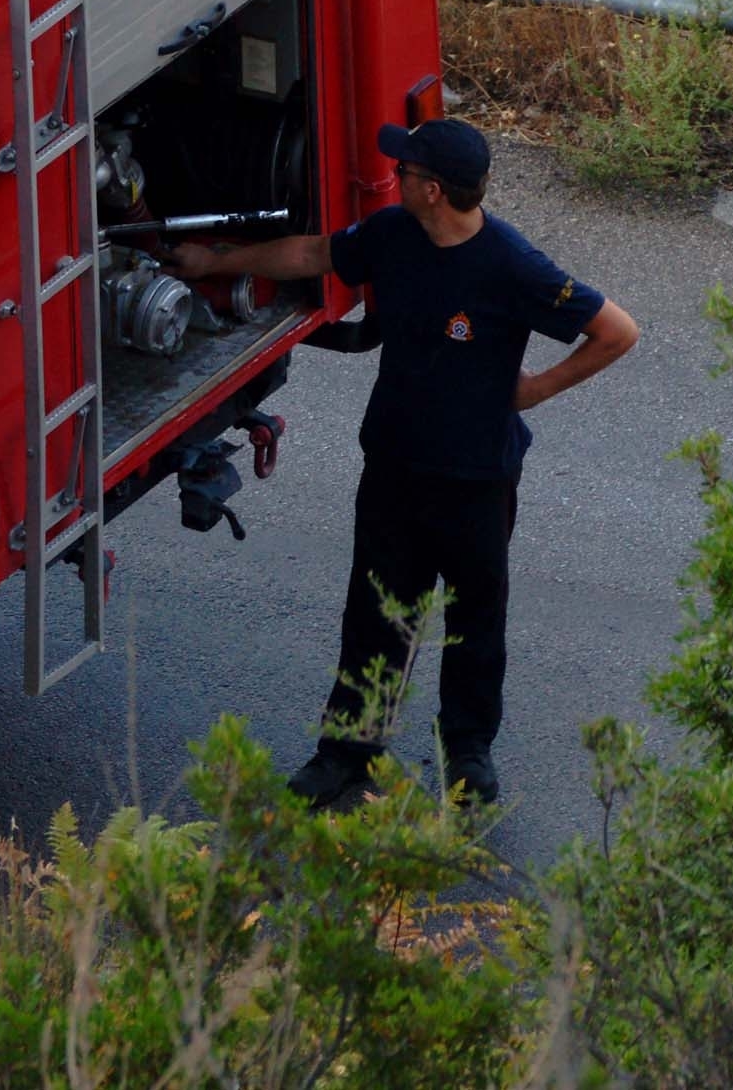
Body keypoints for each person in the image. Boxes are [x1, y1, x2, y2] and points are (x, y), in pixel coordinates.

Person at [172, 116, 637, 809]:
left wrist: (535, 389)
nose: (394, 178)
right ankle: (345, 756)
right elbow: (309, 256)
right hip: (393, 465)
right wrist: (215, 263)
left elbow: (616, 331)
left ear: (434, 191)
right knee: (374, 616)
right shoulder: (392, 235)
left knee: (474, 623)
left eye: (406, 173)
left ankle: (467, 755)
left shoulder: (511, 265)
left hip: (477, 479)